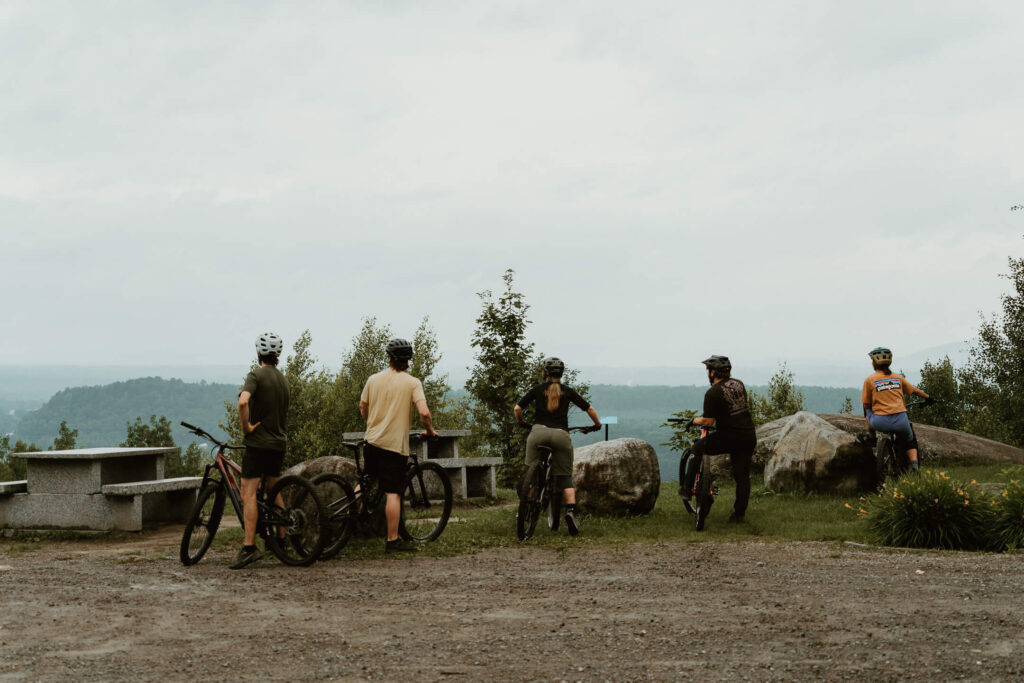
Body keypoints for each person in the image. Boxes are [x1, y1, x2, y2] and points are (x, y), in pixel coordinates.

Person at [359, 338, 439, 554]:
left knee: (367, 479)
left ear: (389, 358)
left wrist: (371, 423)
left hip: (372, 441)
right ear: (408, 361)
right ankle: (392, 541)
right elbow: (424, 413)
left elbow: (363, 405)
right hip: (393, 447)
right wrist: (430, 431)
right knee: (393, 493)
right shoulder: (413, 383)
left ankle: (350, 516)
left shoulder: (373, 379)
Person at [514, 357, 601, 536]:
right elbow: (590, 409)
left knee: (531, 473)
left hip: (538, 433)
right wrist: (597, 425)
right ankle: (570, 511)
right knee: (564, 477)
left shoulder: (537, 390)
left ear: (545, 373)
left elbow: (517, 409)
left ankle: (524, 509)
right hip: (561, 435)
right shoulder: (568, 391)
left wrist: (521, 421)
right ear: (561, 374)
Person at [231, 332, 290, 569]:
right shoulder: (283, 380)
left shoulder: (255, 375)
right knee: (274, 489)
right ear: (277, 355)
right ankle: (282, 540)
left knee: (248, 493)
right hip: (278, 444)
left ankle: (249, 548)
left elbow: (243, 401)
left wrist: (246, 427)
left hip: (258, 445)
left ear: (259, 352)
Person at [681, 355, 756, 523]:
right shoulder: (739, 384)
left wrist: (693, 421)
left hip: (730, 436)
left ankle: (686, 488)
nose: (707, 373)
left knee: (698, 448)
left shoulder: (712, 392)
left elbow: (708, 421)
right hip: (748, 435)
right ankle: (738, 515)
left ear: (713, 372)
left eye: (708, 370)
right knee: (742, 477)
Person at [862, 347, 932, 473]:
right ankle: (915, 466)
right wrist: (928, 397)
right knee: (910, 440)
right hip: (901, 421)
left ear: (874, 363)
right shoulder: (897, 378)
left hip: (879, 422)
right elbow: (914, 391)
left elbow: (866, 404)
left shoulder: (870, 380)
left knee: (867, 410)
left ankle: (871, 437)